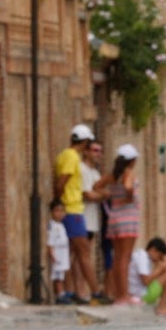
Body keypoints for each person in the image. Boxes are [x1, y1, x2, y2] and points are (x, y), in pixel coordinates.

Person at [53, 124, 100, 303]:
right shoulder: (72, 158)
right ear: (85, 142)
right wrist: (58, 201)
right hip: (73, 209)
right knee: (84, 253)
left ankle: (70, 291)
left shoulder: (65, 155)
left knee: (71, 253)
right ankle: (96, 292)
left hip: (71, 209)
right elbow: (62, 182)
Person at [101, 144, 143, 303]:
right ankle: (124, 295)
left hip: (114, 217)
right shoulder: (129, 173)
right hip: (128, 218)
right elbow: (128, 187)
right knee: (125, 258)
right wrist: (130, 196)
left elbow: (96, 186)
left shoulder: (112, 175)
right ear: (132, 161)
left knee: (117, 257)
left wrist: (109, 195)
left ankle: (118, 294)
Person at [81, 138, 111, 303]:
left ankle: (82, 291)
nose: (98, 153)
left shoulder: (95, 173)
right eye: (95, 150)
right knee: (79, 256)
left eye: (100, 150)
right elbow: (88, 194)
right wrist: (103, 194)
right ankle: (80, 291)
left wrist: (100, 194)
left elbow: (97, 193)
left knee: (85, 255)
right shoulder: (83, 169)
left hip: (92, 220)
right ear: (86, 151)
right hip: (83, 218)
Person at [129, 236, 166, 317]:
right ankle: (162, 307)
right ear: (153, 250)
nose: (158, 260)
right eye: (159, 256)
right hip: (142, 295)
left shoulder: (144, 257)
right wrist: (160, 270)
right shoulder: (142, 257)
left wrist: (161, 268)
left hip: (141, 292)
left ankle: (163, 306)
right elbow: (146, 281)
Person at [48, 200, 72, 303]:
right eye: (57, 211)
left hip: (63, 255)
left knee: (61, 275)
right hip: (57, 256)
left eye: (62, 211)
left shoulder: (61, 225)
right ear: (51, 212)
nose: (59, 213)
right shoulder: (52, 226)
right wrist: (52, 255)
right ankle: (60, 294)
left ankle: (62, 292)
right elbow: (50, 242)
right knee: (57, 276)